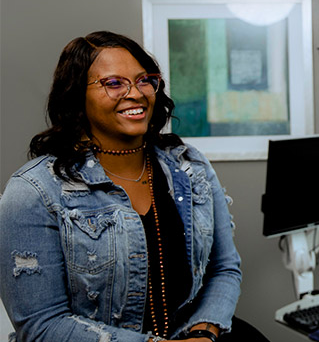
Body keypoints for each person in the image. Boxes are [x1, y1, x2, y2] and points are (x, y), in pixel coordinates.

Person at [0, 32, 243, 342]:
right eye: (113, 83)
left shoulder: (190, 167)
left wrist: (204, 331)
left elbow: (224, 269)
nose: (136, 93)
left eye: (144, 80)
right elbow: (42, 325)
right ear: (77, 97)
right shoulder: (34, 191)